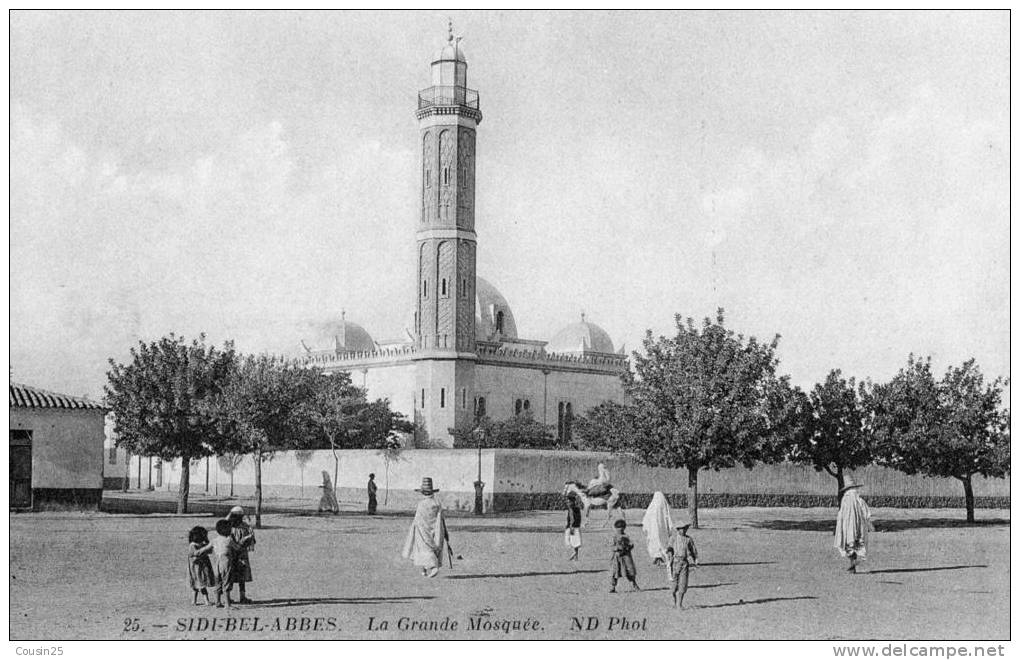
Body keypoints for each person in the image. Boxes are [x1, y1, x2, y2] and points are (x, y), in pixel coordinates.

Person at [401, 477, 450, 578]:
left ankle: (433, 567)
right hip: (435, 531)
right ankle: (424, 569)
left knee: (424, 549)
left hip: (422, 531)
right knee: (430, 548)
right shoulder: (437, 504)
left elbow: (417, 519)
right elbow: (441, 519)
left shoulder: (421, 504)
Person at [834, 476, 872, 573]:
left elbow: (841, 514)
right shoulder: (858, 498)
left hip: (847, 527)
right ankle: (854, 564)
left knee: (849, 544)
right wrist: (869, 523)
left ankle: (852, 565)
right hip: (859, 525)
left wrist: (839, 526)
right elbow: (865, 511)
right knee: (858, 543)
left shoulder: (844, 499)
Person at [211, 519, 247, 608]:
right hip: (226, 563)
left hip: (216, 564)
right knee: (226, 583)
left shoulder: (214, 540)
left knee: (218, 582)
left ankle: (217, 602)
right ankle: (227, 604)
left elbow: (205, 549)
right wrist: (244, 540)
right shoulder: (228, 540)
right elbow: (237, 548)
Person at [227, 506, 256, 602]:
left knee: (232, 576)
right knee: (240, 577)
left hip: (232, 554)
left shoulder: (229, 527)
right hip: (240, 554)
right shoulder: (244, 527)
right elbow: (251, 541)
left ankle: (230, 597)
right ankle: (241, 596)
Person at [641, 491, 674, 570]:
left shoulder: (652, 506)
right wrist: (670, 528)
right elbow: (668, 517)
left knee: (655, 542)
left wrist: (646, 528)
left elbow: (646, 519)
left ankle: (658, 557)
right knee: (662, 543)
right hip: (663, 530)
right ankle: (660, 558)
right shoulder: (664, 506)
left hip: (653, 530)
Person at [669, 519, 698, 609]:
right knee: (674, 586)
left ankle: (679, 604)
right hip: (675, 563)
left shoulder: (688, 539)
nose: (684, 530)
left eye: (685, 528)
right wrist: (670, 557)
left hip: (684, 563)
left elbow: (693, 550)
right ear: (678, 529)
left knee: (683, 584)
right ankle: (674, 601)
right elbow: (669, 548)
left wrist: (695, 560)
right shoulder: (673, 538)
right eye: (681, 529)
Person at [187, 526, 215, 606]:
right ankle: (206, 601)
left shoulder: (200, 544)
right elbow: (194, 555)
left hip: (200, 568)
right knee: (201, 585)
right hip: (197, 569)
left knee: (196, 585)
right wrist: (204, 549)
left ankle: (194, 601)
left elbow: (210, 551)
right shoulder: (193, 545)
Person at [609, 518, 639, 593]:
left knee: (630, 570)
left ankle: (634, 585)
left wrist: (627, 547)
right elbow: (611, 546)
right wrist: (617, 548)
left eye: (621, 528)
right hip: (617, 556)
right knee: (615, 572)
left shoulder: (626, 536)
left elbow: (631, 544)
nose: (619, 530)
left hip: (626, 556)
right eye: (618, 528)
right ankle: (613, 587)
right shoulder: (614, 537)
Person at [564, 491, 583, 561]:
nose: (567, 502)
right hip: (577, 526)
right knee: (576, 541)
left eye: (568, 501)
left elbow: (572, 518)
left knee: (570, 540)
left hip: (572, 526)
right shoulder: (577, 508)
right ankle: (576, 556)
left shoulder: (571, 508)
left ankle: (574, 553)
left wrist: (571, 526)